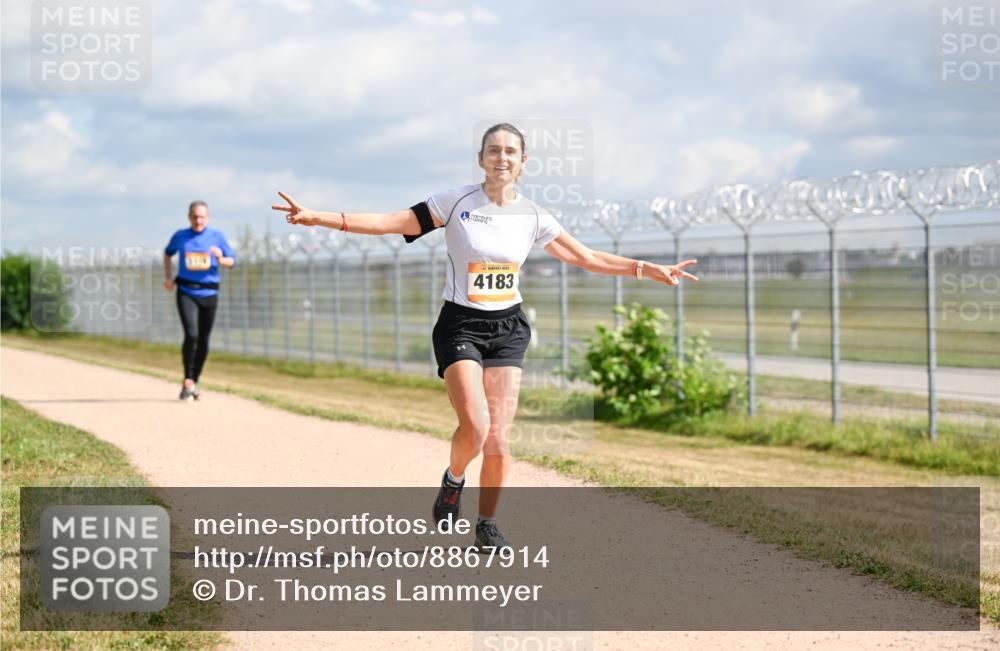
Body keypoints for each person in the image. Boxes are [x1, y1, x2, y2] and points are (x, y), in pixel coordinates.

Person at [272, 123, 697, 549]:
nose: (502, 158)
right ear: (481, 159)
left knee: (498, 437)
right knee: (474, 428)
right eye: (493, 150)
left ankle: (488, 524)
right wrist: (320, 217)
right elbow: (388, 222)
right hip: (460, 324)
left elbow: (585, 257)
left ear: (523, 162)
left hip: (508, 328)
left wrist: (646, 268)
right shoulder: (454, 202)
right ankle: (454, 480)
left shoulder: (533, 216)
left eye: (511, 152)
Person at [163, 200, 237, 401]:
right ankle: (187, 378)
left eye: (202, 217)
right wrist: (168, 278)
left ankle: (193, 381)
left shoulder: (217, 236)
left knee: (204, 340)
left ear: (208, 217)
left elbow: (232, 261)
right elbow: (168, 253)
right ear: (189, 217)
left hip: (209, 294)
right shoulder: (181, 236)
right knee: (192, 334)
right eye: (195, 217)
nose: (198, 220)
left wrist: (221, 259)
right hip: (186, 291)